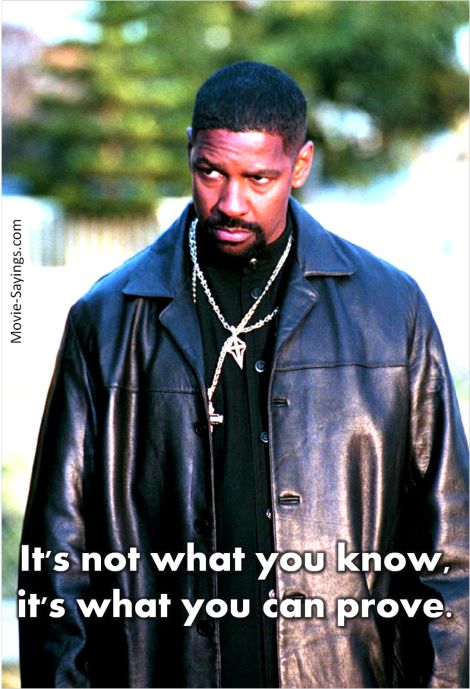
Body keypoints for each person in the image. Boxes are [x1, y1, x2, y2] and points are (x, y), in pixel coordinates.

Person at [19, 61, 468, 689]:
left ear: (300, 165)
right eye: (211, 172)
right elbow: (55, 556)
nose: (231, 203)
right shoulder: (108, 318)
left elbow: (450, 550)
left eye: (259, 178)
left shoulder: (392, 310)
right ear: (189, 152)